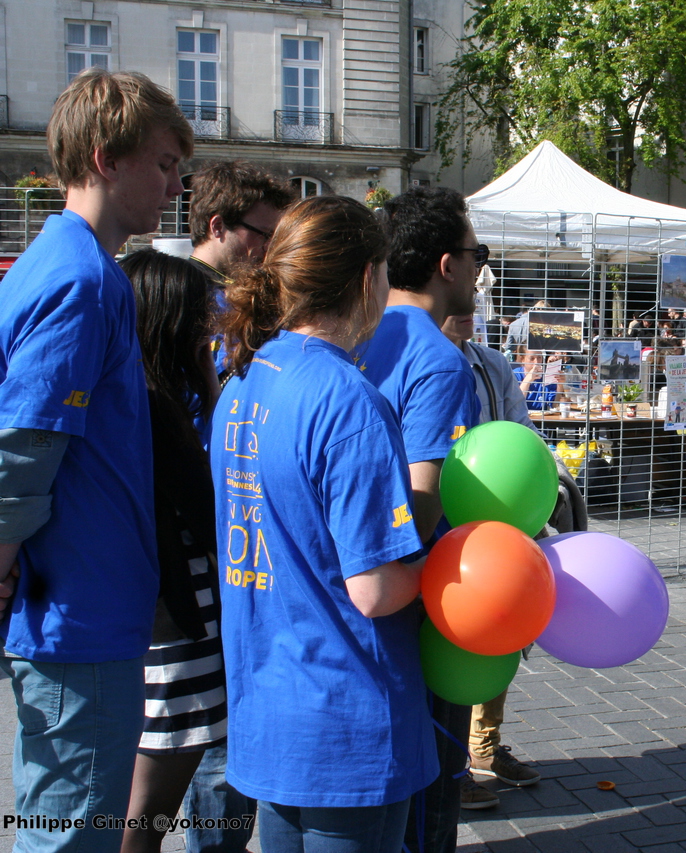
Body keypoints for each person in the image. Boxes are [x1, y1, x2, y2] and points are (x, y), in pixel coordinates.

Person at [0, 69, 191, 852]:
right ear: (108, 159)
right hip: (77, 611)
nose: (175, 185)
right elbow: (25, 445)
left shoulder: (66, 263)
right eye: (163, 164)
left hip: (75, 602)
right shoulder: (82, 279)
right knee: (72, 828)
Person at [212, 195, 430, 850]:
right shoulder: (348, 398)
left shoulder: (242, 382)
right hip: (347, 721)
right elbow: (375, 588)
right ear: (368, 277)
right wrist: (446, 560)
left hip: (269, 710)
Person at [354, 186, 483, 853]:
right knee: (429, 786)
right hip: (413, 601)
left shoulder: (357, 333)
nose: (480, 269)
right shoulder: (436, 359)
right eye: (476, 253)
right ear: (445, 263)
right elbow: (423, 499)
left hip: (347, 595)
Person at [182, 158, 292, 852]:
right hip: (203, 554)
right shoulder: (185, 303)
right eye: (264, 235)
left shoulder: (224, 304)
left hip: (228, 550)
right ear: (220, 227)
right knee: (215, 749)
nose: (271, 254)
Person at [117, 250, 225, 853]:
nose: (209, 330)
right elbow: (210, 512)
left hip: (157, 621)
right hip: (177, 628)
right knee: (151, 805)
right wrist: (210, 386)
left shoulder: (134, 398)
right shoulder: (159, 409)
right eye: (198, 319)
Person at [440, 314, 544, 811]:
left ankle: (483, 744)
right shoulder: (415, 360)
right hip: (441, 526)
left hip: (500, 521)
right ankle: (450, 763)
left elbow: (520, 432)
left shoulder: (491, 364)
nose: (465, 315)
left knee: (503, 630)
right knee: (452, 644)